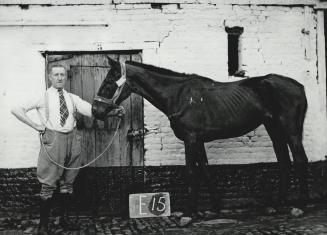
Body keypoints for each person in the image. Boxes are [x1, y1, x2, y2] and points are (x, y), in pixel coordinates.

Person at [11, 65, 122, 234]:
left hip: (73, 139)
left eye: (62, 74)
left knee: (68, 183)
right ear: (50, 77)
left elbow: (92, 112)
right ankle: (43, 226)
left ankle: (64, 219)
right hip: (53, 140)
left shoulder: (72, 98)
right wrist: (35, 126)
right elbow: (16, 109)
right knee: (48, 183)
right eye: (56, 75)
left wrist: (114, 113)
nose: (60, 78)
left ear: (66, 77)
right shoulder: (43, 96)